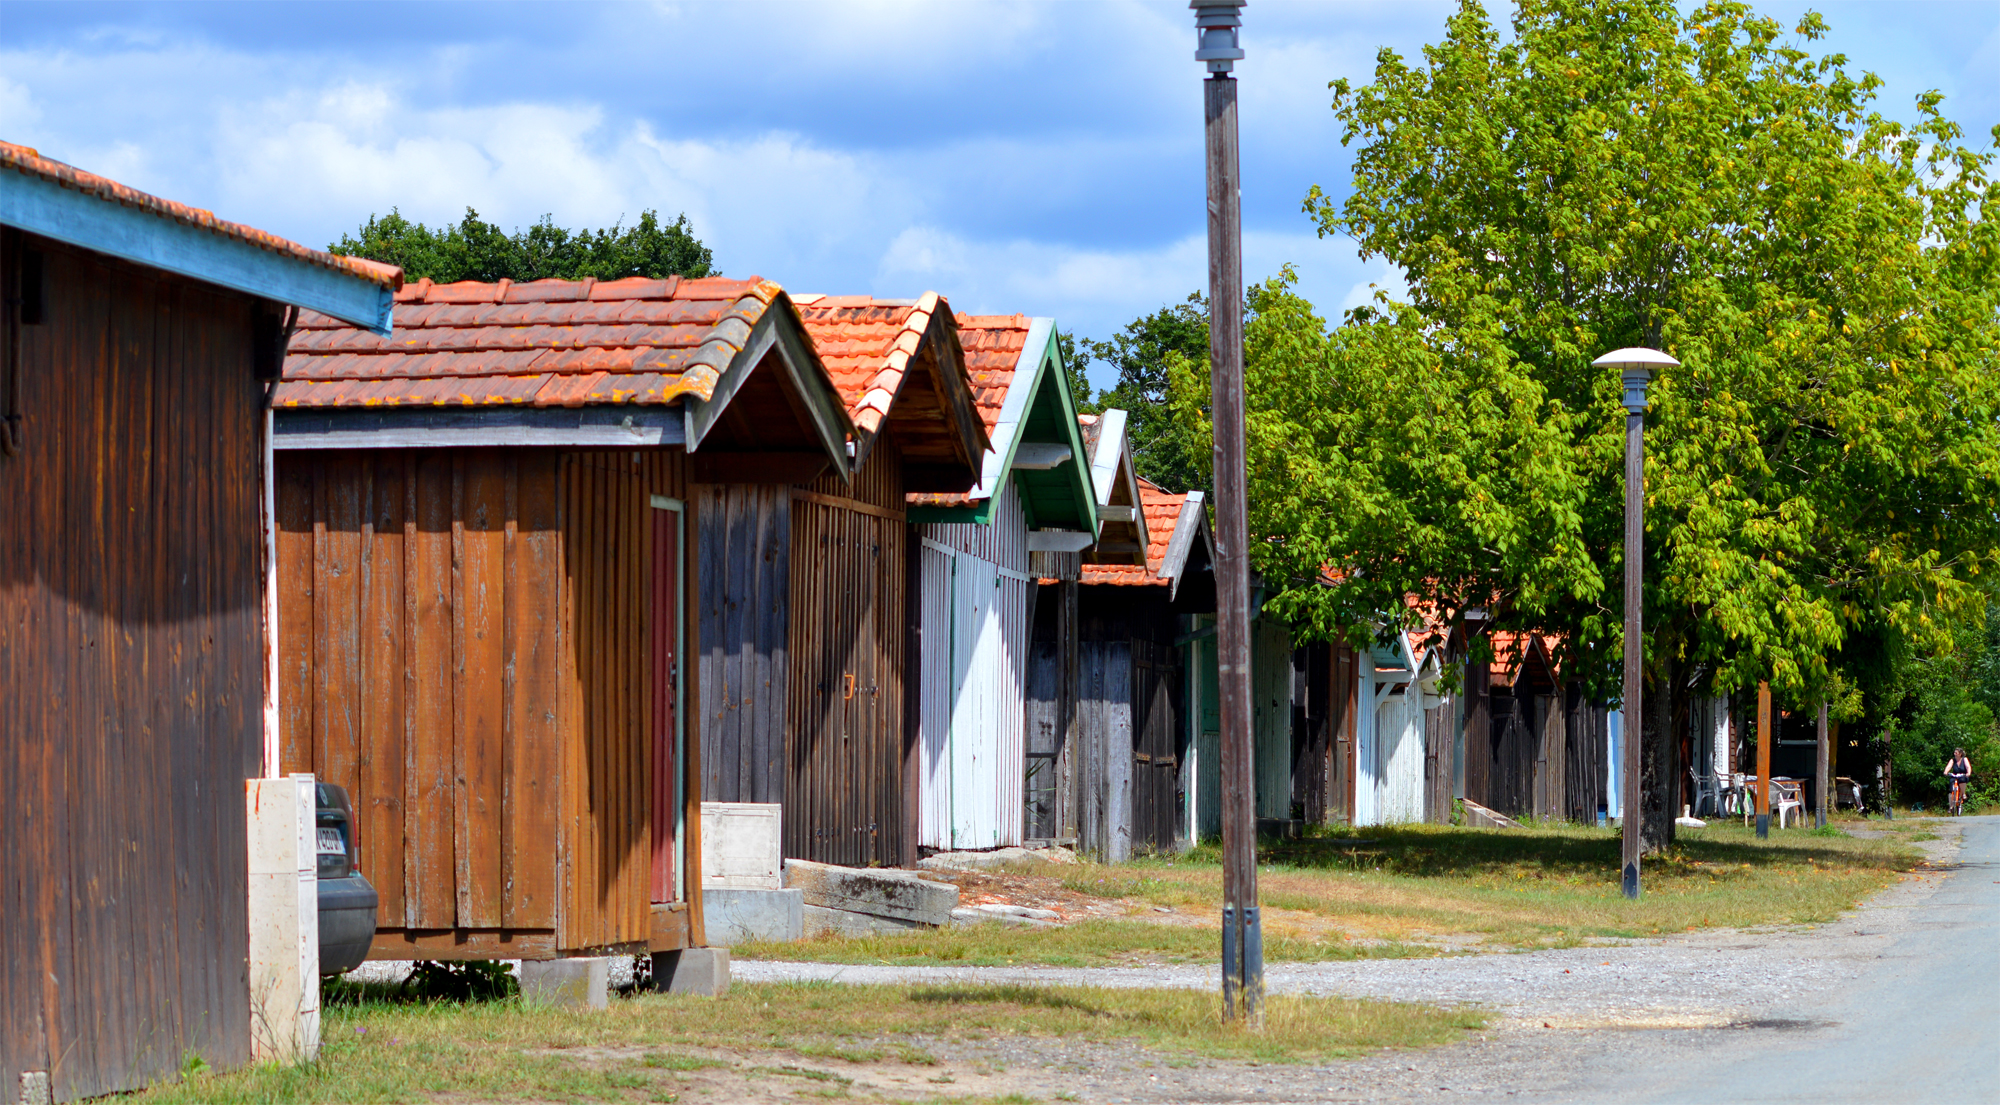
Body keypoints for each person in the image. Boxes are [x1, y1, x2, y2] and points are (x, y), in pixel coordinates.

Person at [1945, 747, 1972, 813]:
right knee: (1951, 787)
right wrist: (1946, 772)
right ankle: (1951, 806)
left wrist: (1968, 773)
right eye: (1954, 752)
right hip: (1954, 775)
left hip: (1962, 775)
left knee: (1962, 780)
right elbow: (1948, 766)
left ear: (1960, 754)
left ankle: (1963, 793)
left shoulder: (1964, 759)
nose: (1954, 754)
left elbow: (1968, 767)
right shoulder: (1952, 760)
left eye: (1956, 753)